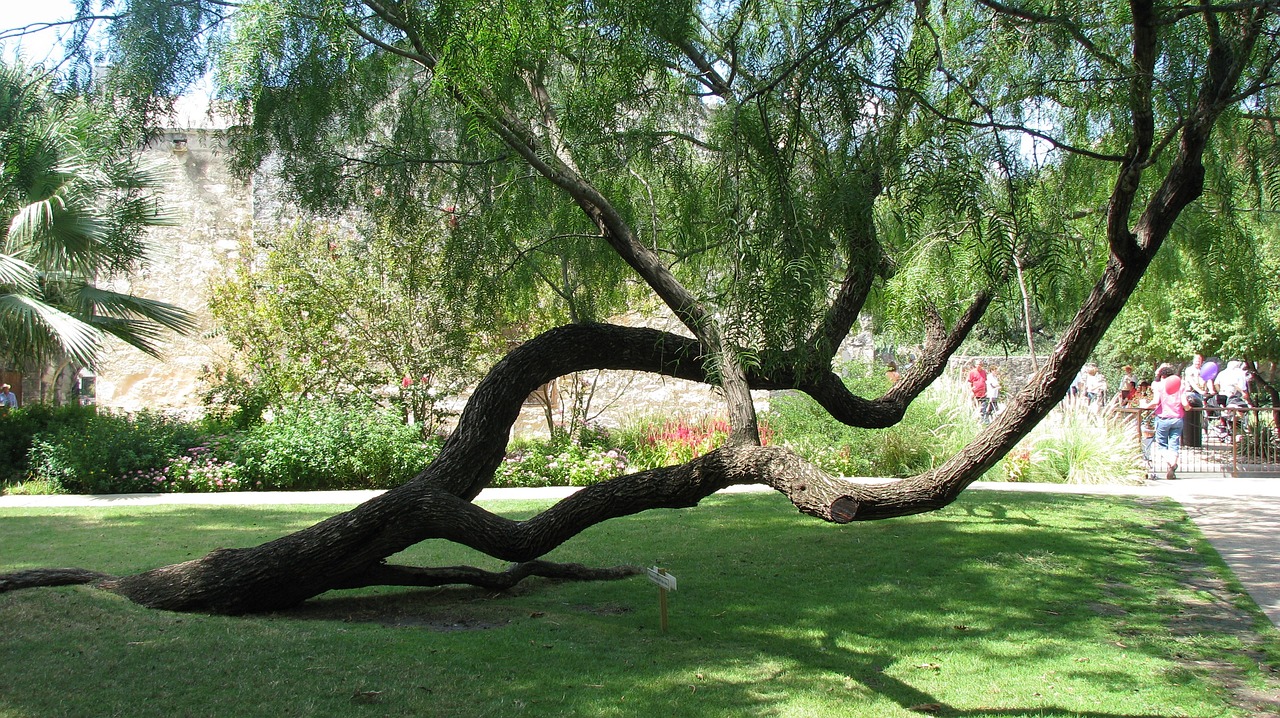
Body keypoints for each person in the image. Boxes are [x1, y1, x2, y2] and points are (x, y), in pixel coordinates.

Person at [1144, 371, 1189, 480]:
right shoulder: (1180, 386)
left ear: (1163, 377)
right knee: (1174, 444)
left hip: (1163, 418)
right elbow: (1185, 404)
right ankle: (1172, 468)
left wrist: (1146, 405)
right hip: (1178, 419)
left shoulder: (1160, 386)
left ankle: (1171, 463)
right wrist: (1188, 409)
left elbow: (1155, 401)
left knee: (1162, 445)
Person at [967, 359, 992, 424]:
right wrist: (971, 391)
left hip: (983, 393)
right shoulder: (972, 372)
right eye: (978, 364)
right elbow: (969, 382)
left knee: (983, 408)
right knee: (974, 407)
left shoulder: (984, 372)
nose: (979, 366)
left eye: (980, 364)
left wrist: (986, 390)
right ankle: (974, 421)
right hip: (975, 393)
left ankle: (983, 421)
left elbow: (985, 381)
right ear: (975, 365)